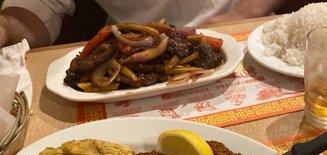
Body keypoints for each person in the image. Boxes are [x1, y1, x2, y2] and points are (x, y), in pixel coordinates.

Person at [0, 0, 286, 48]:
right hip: (131, 49)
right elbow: (41, 5)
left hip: (240, 32)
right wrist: (5, 28)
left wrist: (245, 11)